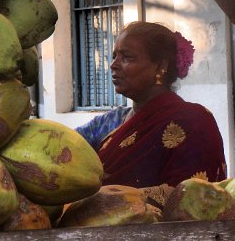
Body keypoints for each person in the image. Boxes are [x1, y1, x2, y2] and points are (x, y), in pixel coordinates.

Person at [76, 21, 226, 191]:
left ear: (161, 66)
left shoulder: (193, 121)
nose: (114, 65)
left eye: (127, 57)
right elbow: (66, 152)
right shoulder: (111, 121)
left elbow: (192, 197)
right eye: (114, 56)